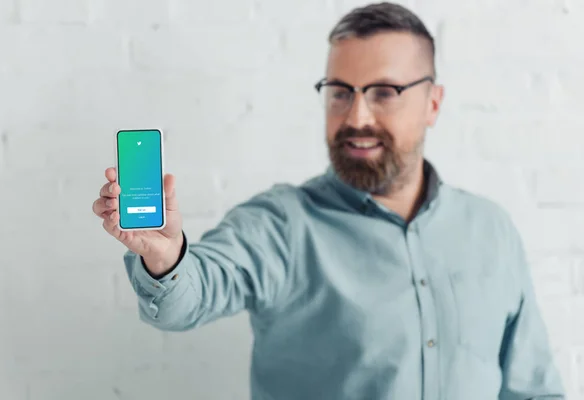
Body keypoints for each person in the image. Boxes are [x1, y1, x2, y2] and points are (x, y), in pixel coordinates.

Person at [92, 2, 565, 399]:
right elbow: (191, 295)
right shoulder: (281, 225)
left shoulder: (491, 230)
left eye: (385, 92)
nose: (356, 115)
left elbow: (534, 389)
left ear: (433, 105)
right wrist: (167, 258)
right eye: (340, 92)